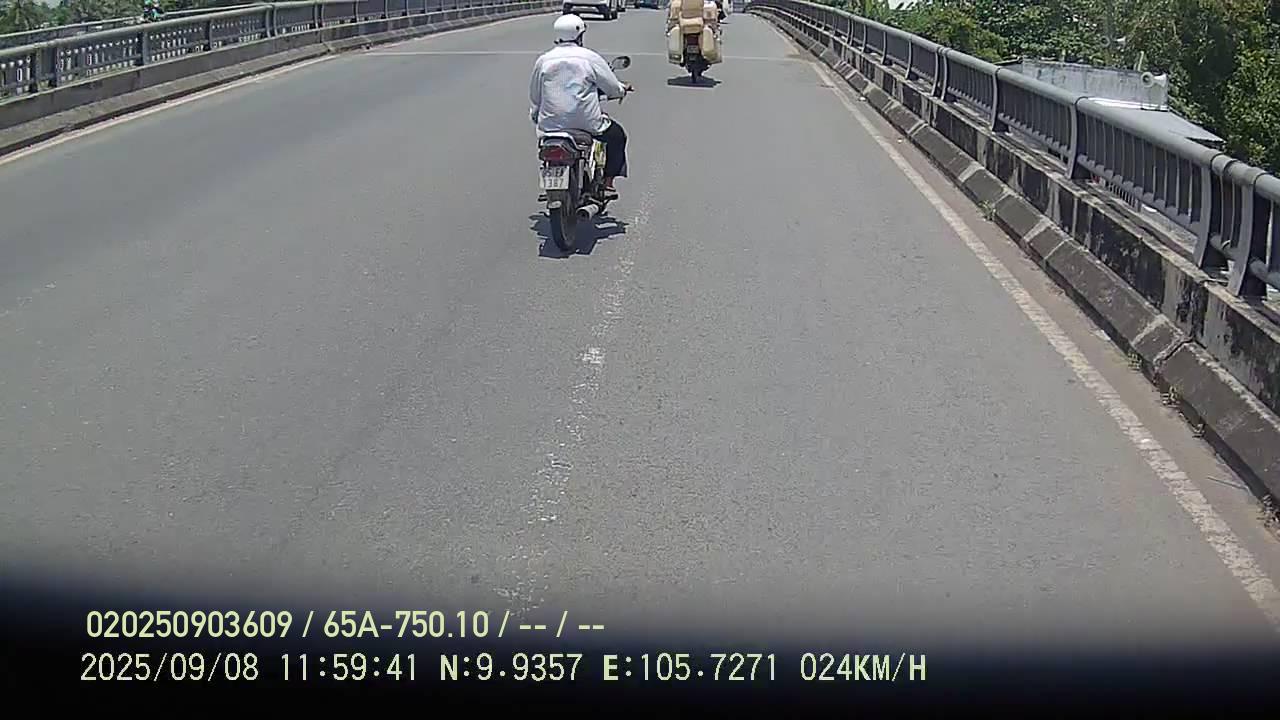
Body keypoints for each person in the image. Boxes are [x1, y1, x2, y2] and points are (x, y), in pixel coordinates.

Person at [529, 15, 633, 199]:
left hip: (551, 126)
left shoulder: (543, 61)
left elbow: (535, 96)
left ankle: (552, 184)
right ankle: (608, 184)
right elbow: (611, 87)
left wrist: (537, 114)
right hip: (586, 123)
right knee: (617, 136)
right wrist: (621, 90)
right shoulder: (589, 58)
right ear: (579, 35)